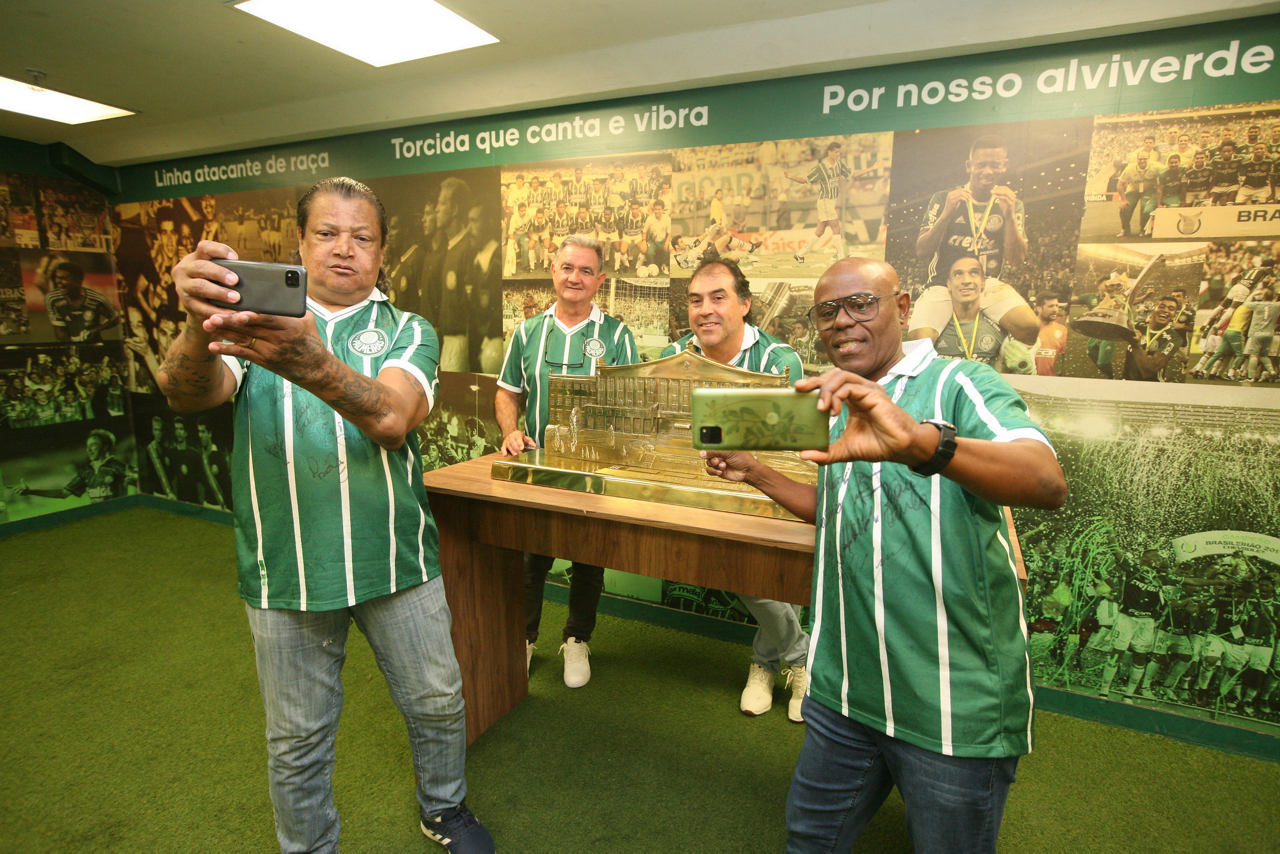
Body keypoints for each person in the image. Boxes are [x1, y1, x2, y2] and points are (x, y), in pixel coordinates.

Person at [156, 176, 492, 854]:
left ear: (382, 252)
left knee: (438, 702)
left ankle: (445, 808)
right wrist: (199, 321)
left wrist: (309, 359)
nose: (344, 249)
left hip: (395, 560)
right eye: (328, 233)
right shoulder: (251, 321)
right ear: (300, 243)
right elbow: (186, 393)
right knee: (297, 738)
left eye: (362, 237)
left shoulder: (408, 330)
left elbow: (392, 418)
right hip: (287, 569)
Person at [702, 256, 1066, 852]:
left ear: (901, 308)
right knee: (809, 841)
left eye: (861, 304)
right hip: (844, 691)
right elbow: (838, 508)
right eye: (827, 311)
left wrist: (921, 442)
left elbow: (1046, 480)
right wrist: (757, 472)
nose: (842, 320)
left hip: (949, 705)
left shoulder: (958, 382)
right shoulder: (837, 398)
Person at [659, 258, 811, 722]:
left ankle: (772, 664)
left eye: (718, 297)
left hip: (767, 490)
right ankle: (795, 658)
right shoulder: (676, 353)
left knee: (760, 564)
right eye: (695, 300)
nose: (705, 309)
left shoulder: (779, 360)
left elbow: (790, 448)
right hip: (695, 486)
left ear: (744, 304)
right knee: (729, 560)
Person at [495, 234, 637, 687]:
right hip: (538, 468)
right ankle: (523, 639)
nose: (575, 277)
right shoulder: (526, 332)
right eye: (568, 268)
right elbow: (506, 393)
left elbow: (632, 404)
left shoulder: (617, 336)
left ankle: (577, 639)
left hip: (594, 471)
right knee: (530, 560)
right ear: (554, 271)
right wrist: (511, 431)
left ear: (600, 280)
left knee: (588, 560)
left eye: (586, 271)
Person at [913, 136, 1036, 346]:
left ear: (1004, 166)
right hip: (943, 284)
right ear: (969, 166)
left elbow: (1016, 260)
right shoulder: (944, 199)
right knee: (918, 344)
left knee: (1029, 327)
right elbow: (922, 251)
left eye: (995, 164)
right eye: (981, 165)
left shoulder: (1012, 204)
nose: (987, 171)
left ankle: (1003, 356)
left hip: (987, 284)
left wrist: (1009, 217)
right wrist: (946, 214)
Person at [12, 429, 133, 503]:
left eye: (93, 445)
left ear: (105, 446)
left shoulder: (119, 467)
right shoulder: (86, 472)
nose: (89, 450)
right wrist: (31, 491)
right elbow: (62, 493)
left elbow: (139, 478)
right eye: (87, 446)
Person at [45, 261, 121, 343]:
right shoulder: (53, 299)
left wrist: (96, 330)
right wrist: (73, 346)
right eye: (57, 277)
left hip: (93, 346)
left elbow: (115, 318)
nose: (58, 281)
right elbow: (60, 332)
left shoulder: (97, 299)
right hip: (68, 345)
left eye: (63, 278)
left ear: (77, 282)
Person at [1121, 295, 1180, 382]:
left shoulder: (1174, 339)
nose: (1165, 310)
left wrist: (1136, 345)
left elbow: (1149, 371)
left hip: (1152, 385)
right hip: (1126, 381)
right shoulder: (1138, 327)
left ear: (1174, 315)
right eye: (1161, 306)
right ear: (1153, 309)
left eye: (1171, 309)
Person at [1115, 152, 1159, 236]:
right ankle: (1125, 230)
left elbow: (1166, 172)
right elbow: (1119, 185)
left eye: (1145, 159)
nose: (1142, 161)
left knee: (1145, 207)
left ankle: (1143, 229)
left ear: (1149, 159)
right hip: (1133, 190)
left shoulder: (1157, 166)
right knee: (1125, 207)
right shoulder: (1129, 168)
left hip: (1149, 190)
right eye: (1140, 159)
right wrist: (1123, 200)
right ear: (1137, 159)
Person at [1033, 290, 1068, 376]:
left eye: (1057, 306)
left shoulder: (1062, 330)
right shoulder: (1028, 328)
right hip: (1029, 380)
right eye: (1051, 306)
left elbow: (1063, 360)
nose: (1055, 309)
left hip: (1052, 381)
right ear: (1039, 308)